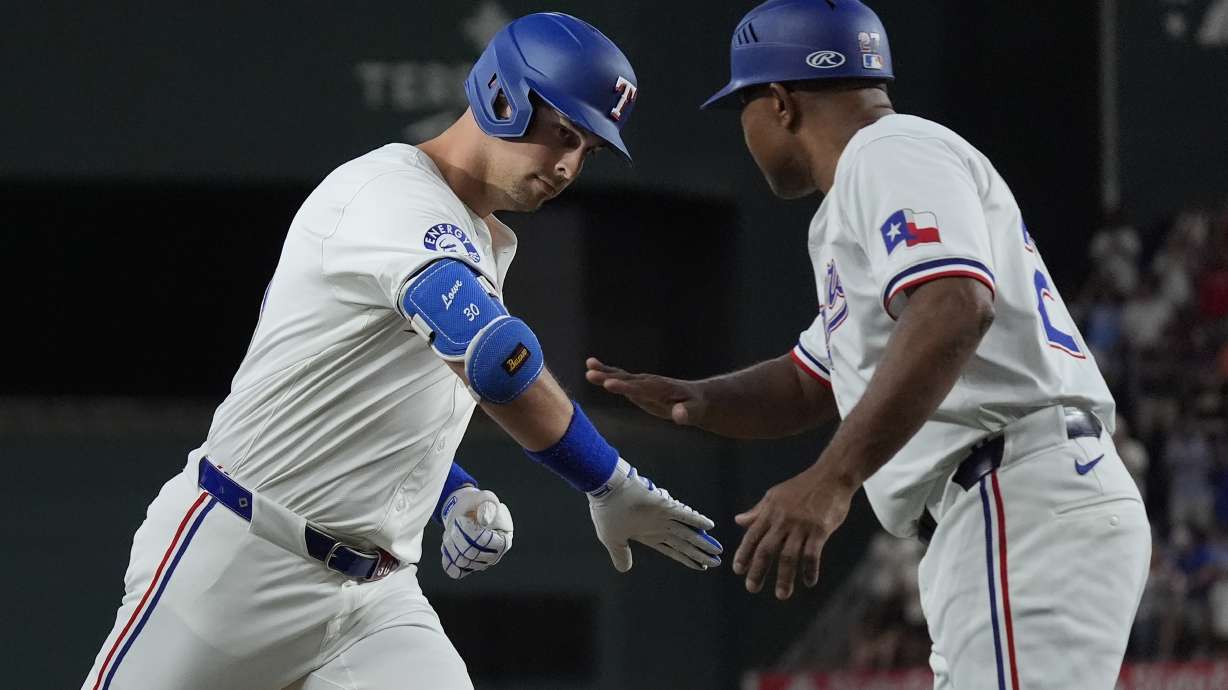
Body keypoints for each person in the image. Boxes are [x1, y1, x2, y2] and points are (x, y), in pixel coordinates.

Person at [82, 13, 721, 690]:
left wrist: (453, 491)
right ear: (502, 97)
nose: (567, 165)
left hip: (374, 601)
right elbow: (495, 356)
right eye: (563, 133)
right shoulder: (392, 195)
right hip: (240, 559)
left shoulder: (477, 233)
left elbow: (360, 397)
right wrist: (608, 479)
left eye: (587, 149)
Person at [586, 1, 1149, 687]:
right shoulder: (877, 179)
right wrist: (699, 400)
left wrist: (830, 481)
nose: (747, 129)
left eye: (744, 108)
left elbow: (954, 307)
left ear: (780, 101)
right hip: (1013, 502)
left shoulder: (888, 152)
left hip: (1018, 494)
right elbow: (807, 381)